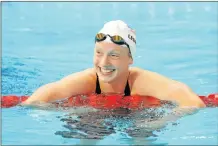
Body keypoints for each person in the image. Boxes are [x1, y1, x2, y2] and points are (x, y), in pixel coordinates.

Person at [22, 20, 205, 108]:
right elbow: (39, 98)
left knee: (142, 132)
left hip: (138, 117)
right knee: (86, 128)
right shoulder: (88, 79)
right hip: (96, 118)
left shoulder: (140, 81)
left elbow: (193, 103)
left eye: (114, 55)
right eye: (98, 53)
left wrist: (160, 122)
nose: (103, 63)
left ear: (130, 59)